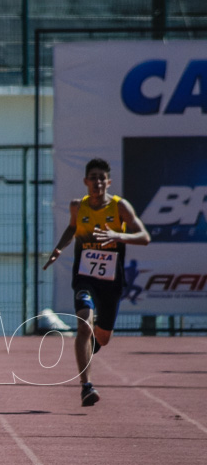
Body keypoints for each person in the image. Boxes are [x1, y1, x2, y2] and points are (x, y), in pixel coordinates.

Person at [43, 158, 150, 406]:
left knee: (102, 337)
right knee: (84, 324)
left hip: (111, 281)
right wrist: (58, 249)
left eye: (102, 178)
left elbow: (144, 237)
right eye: (93, 177)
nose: (97, 182)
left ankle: (93, 344)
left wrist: (117, 235)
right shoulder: (77, 207)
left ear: (108, 182)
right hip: (85, 277)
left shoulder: (120, 207)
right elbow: (72, 229)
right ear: (85, 181)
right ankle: (86, 386)